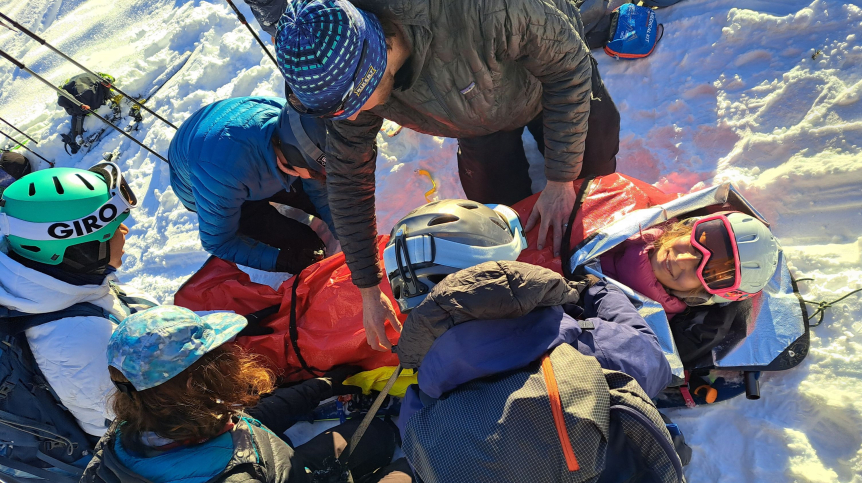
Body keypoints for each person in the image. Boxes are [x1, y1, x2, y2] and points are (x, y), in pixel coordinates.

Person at [267, 0, 621, 351]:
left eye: (355, 103)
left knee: (593, 191)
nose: (354, 116)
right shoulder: (349, 73)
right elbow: (348, 178)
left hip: (548, 82)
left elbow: (568, 68)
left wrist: (560, 178)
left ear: (380, 51)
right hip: (474, 113)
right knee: (495, 222)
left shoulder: (484, 11)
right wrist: (368, 287)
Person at [382, 200, 684, 481]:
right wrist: (597, 293)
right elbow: (651, 363)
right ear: (501, 267)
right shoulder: (576, 344)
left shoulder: (420, 406)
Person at [81, 305, 413, 483]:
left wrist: (318, 388)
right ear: (197, 383)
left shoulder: (128, 432)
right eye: (221, 355)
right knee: (418, 465)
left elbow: (245, 423)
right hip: (277, 472)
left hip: (279, 465)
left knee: (377, 434)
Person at [0, 163, 157, 437]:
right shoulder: (80, 341)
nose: (125, 233)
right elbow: (153, 423)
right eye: (113, 228)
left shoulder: (58, 283)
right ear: (83, 248)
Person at [168, 96, 339, 274]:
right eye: (316, 171)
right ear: (294, 159)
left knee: (328, 203)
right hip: (208, 182)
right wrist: (281, 261)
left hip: (246, 153)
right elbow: (218, 241)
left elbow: (321, 192)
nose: (321, 176)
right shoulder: (221, 175)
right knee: (301, 247)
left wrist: (348, 233)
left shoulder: (294, 123)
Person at [599, 212, 781, 318]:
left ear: (698, 296)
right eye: (695, 245)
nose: (682, 260)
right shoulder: (643, 213)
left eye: (704, 272)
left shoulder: (635, 319)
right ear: (688, 228)